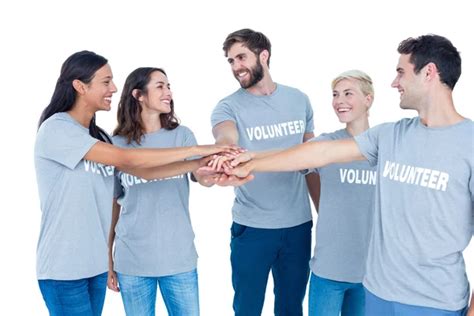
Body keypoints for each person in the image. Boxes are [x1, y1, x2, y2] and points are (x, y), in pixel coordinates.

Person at [225, 34, 474, 316]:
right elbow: (318, 154)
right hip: (378, 295)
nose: (394, 82)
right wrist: (250, 161)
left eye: (401, 72)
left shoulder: (470, 143)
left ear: (429, 72)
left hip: (436, 303)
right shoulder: (390, 135)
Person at [34, 51, 235, 316]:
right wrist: (201, 148)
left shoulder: (100, 136)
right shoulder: (57, 129)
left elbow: (146, 173)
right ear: (80, 86)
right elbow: (127, 157)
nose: (113, 88)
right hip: (65, 267)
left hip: (92, 267)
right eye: (106, 82)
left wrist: (198, 163)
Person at [209, 28, 317, 316]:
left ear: (264, 55)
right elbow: (225, 137)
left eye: (241, 57)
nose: (236, 67)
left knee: (292, 306)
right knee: (247, 308)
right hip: (253, 228)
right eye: (230, 61)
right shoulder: (227, 107)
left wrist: (322, 211)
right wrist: (226, 150)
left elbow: (311, 161)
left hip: (298, 226)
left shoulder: (299, 99)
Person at [106, 67, 211, 315]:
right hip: (132, 262)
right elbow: (113, 204)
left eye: (169, 86)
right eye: (160, 86)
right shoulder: (116, 144)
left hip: (179, 259)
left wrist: (219, 167)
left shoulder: (182, 136)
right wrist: (107, 257)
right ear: (139, 95)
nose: (168, 92)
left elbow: (203, 179)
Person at [306, 70, 376, 316]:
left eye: (348, 93)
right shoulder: (325, 144)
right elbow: (292, 162)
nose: (339, 101)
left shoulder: (385, 146)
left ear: (368, 99)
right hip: (328, 271)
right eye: (335, 95)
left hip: (370, 274)